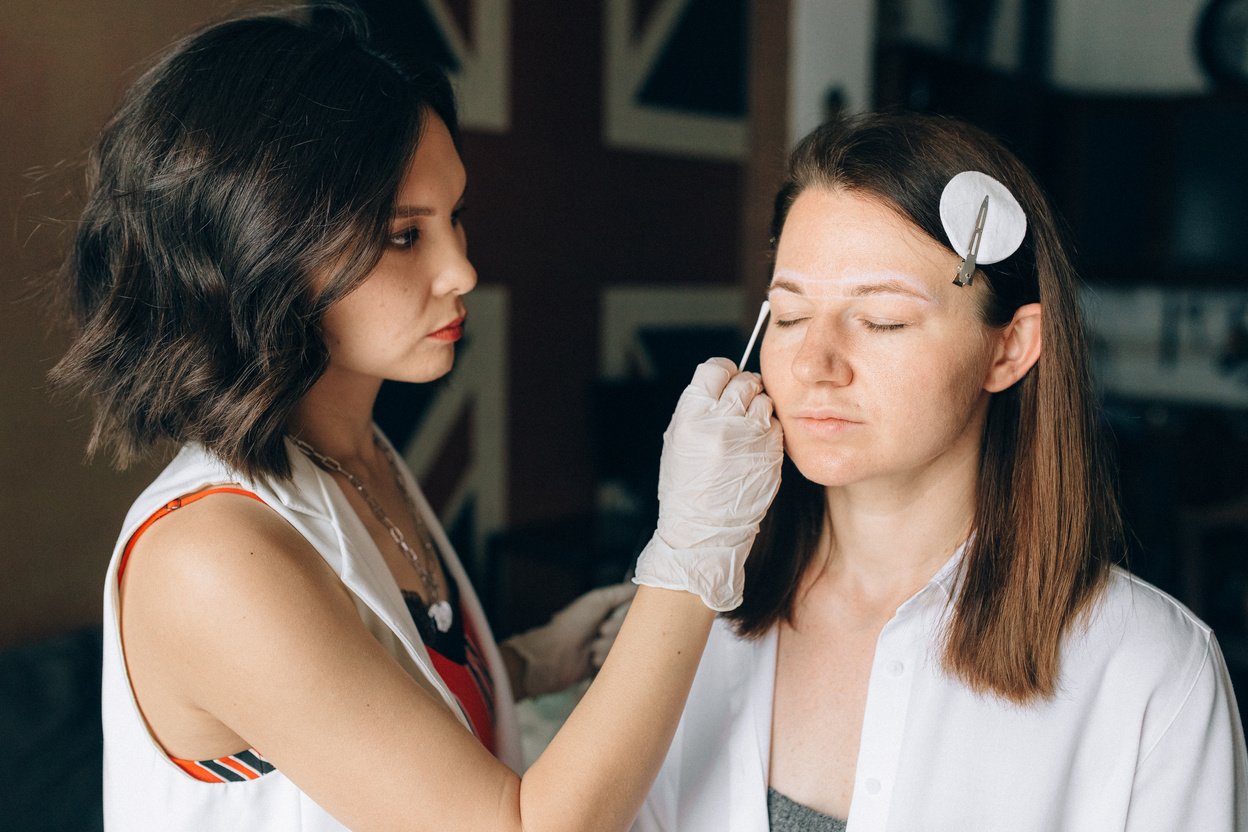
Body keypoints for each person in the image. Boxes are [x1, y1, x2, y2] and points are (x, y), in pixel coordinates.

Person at [48, 8, 783, 830]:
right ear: (259, 252)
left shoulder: (356, 453)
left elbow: (360, 706)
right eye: (403, 236)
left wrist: (526, 662)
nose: (462, 270)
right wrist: (693, 549)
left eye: (455, 216)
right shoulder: (211, 556)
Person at [635, 112, 1248, 831]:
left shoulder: (1151, 674)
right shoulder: (689, 622)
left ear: (1010, 348)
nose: (813, 366)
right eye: (792, 316)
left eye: (884, 321)